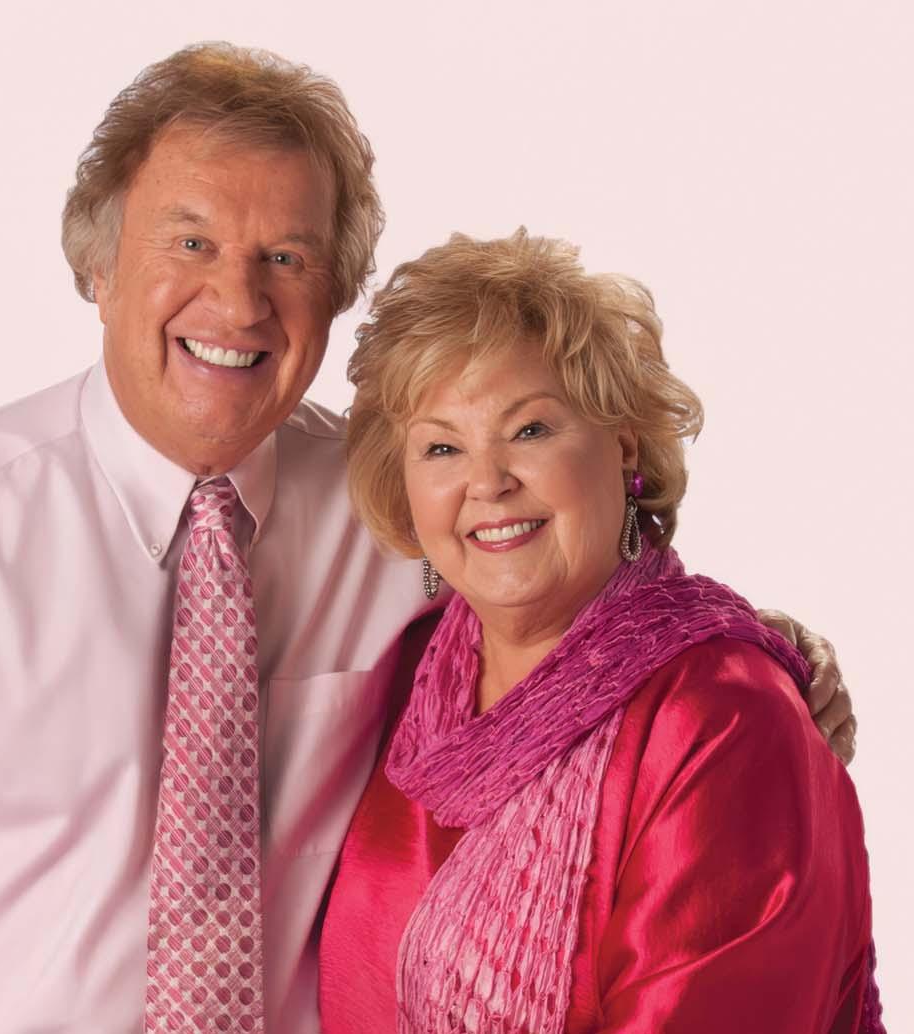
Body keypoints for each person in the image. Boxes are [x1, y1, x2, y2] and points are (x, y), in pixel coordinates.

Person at [0, 46, 854, 1034]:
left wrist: (755, 654)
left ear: (334, 288)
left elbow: (562, 597)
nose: (238, 302)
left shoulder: (389, 508)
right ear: (96, 263)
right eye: (189, 242)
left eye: (285, 257)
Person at [319, 230, 881, 1032]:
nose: (487, 481)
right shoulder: (410, 675)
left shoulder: (725, 716)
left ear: (622, 445)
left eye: (530, 430)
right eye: (441, 446)